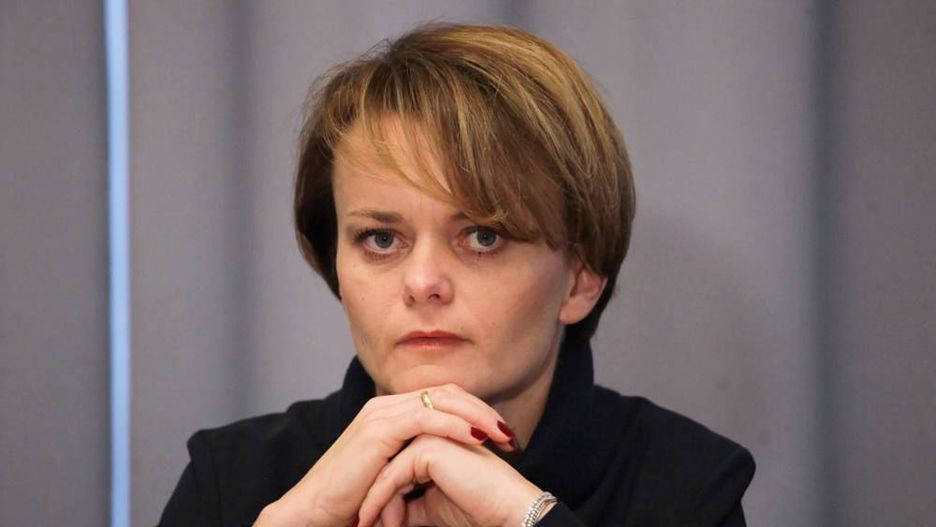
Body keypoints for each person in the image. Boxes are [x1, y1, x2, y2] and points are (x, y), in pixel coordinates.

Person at [158, 23, 755, 527]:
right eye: (381, 239)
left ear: (580, 278)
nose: (422, 283)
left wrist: (533, 519)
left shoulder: (689, 489)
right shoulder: (230, 484)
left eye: (483, 237)